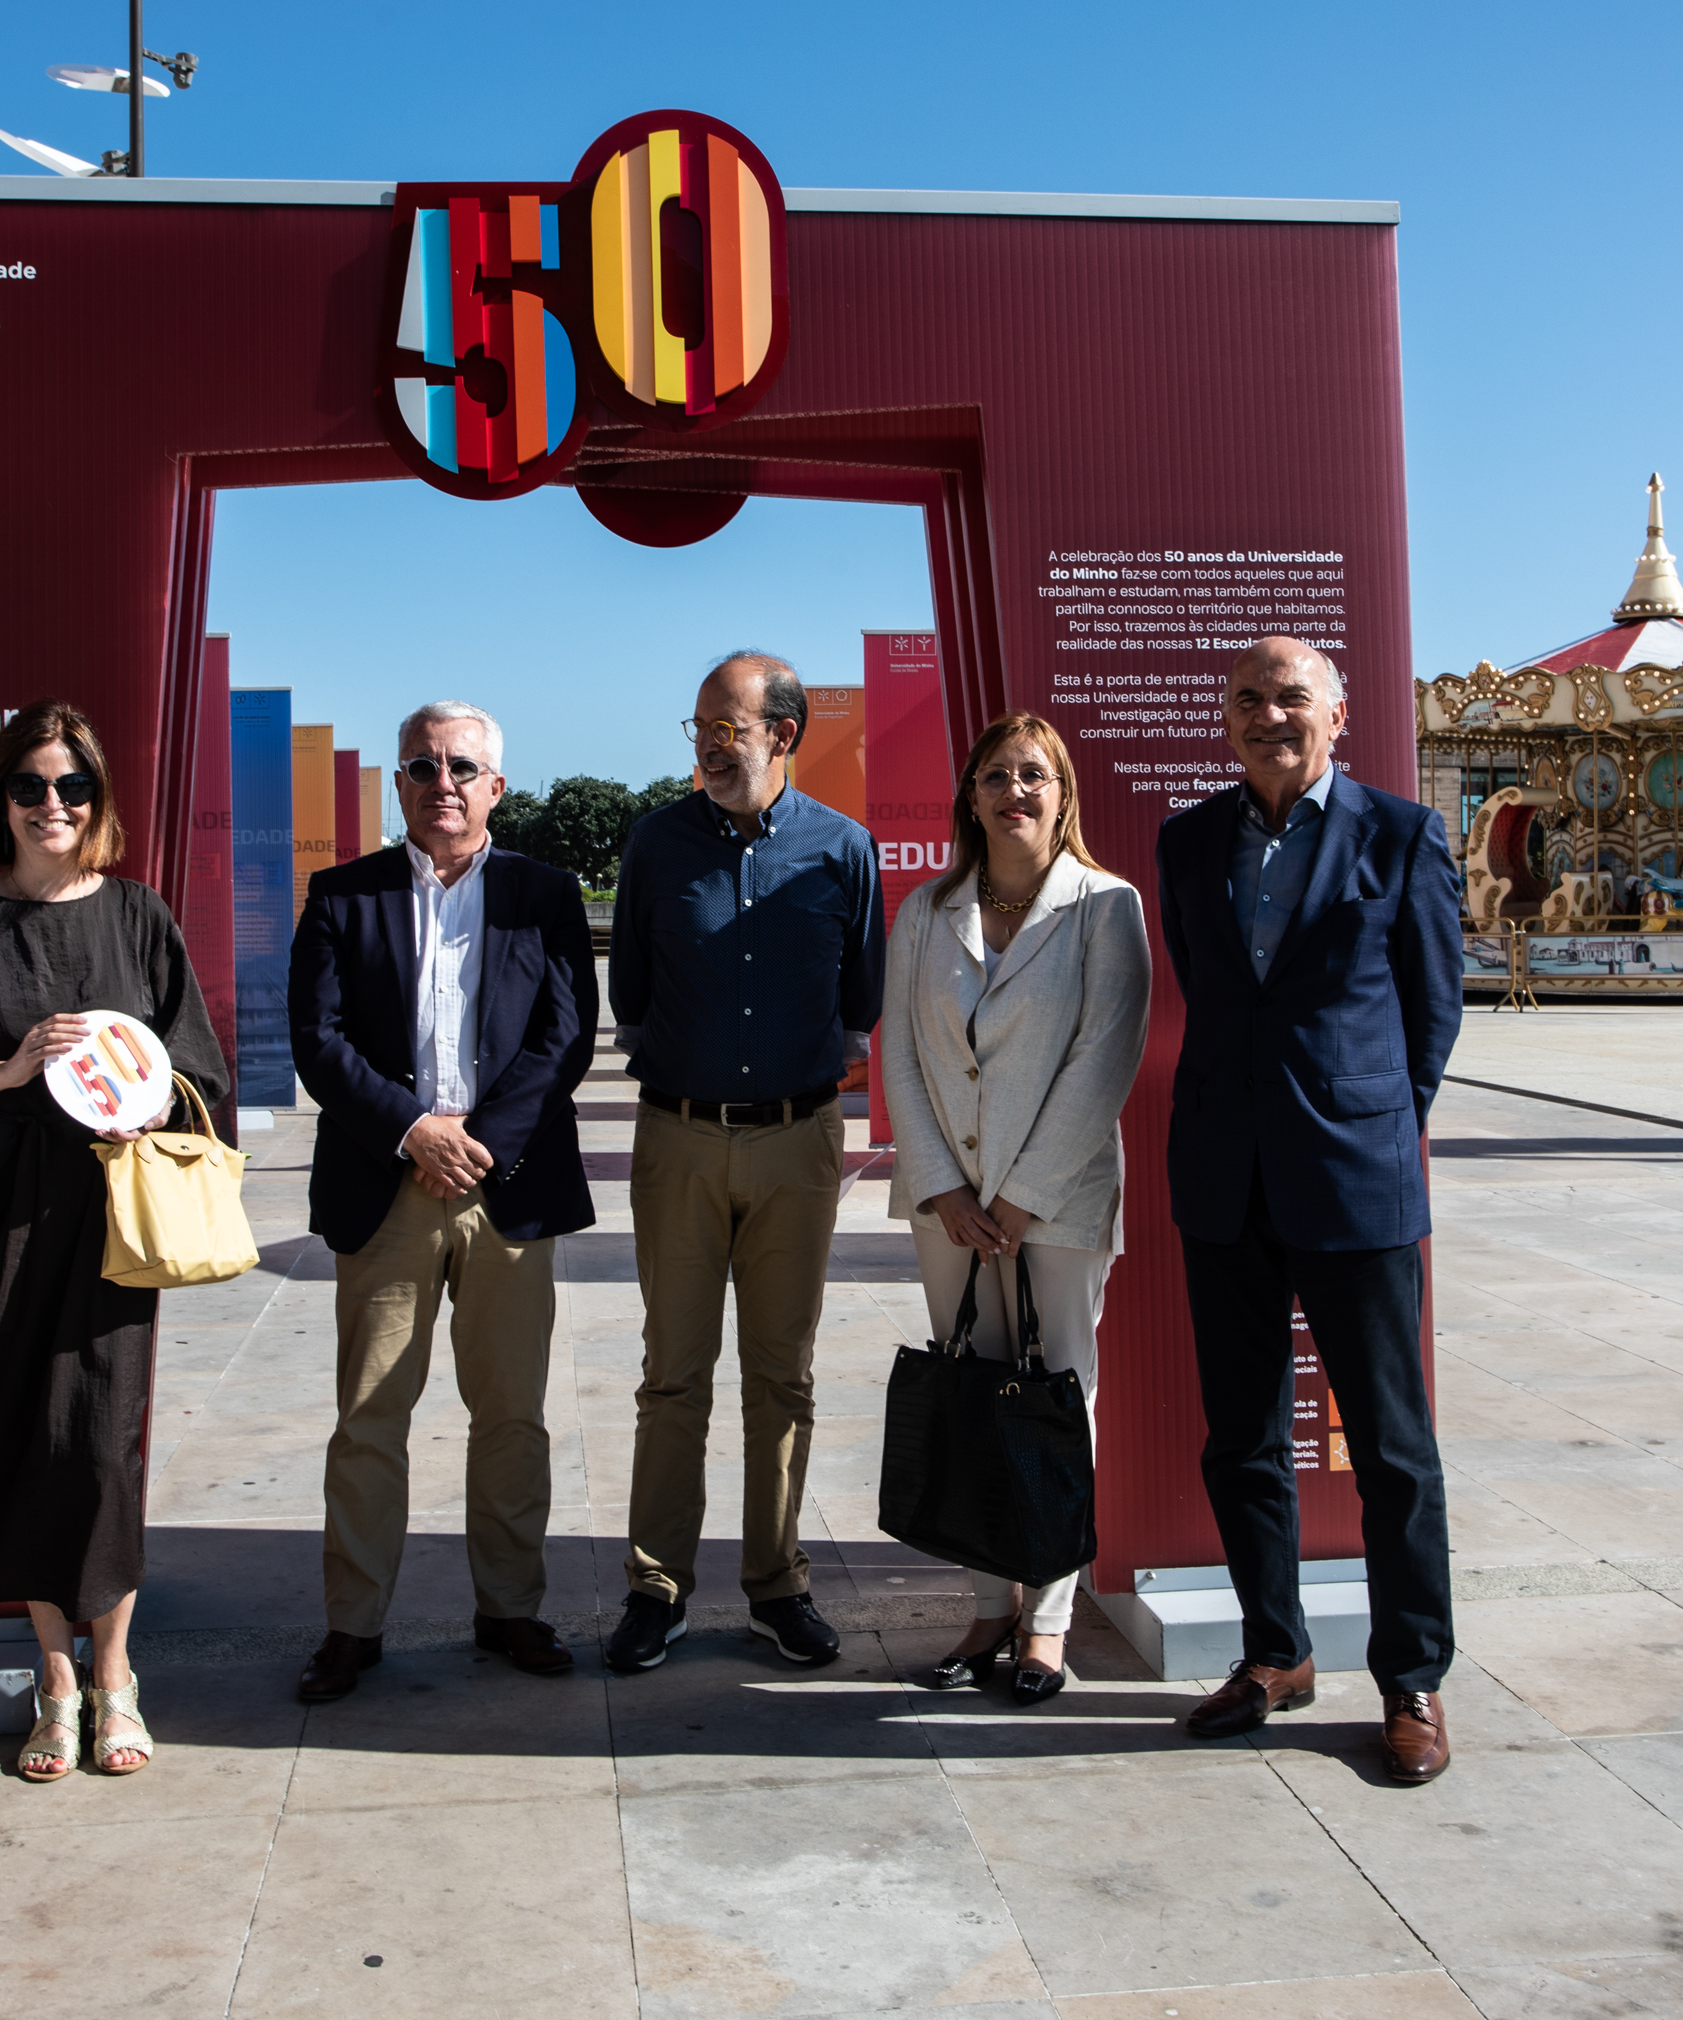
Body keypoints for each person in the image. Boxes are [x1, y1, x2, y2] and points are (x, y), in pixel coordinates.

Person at [0, 700, 228, 1783]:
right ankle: (53, 1678)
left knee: (98, 1440)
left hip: (107, 1216)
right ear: (1, 799)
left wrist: (149, 1097)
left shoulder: (138, 915)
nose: (52, 805)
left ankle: (114, 1674)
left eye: (73, 787)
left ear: (99, 800)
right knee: (14, 1430)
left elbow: (198, 1066)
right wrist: (9, 1070)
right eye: (31, 786)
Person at [1154, 635, 1463, 1786]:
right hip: (1225, 1179)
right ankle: (1275, 1652)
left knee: (1391, 1448)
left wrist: (1373, 1120)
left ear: (1341, 716)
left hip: (1355, 1180)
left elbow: (1433, 1012)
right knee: (1241, 1438)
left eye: (1293, 697)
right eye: (1248, 699)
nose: (1269, 715)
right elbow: (1208, 986)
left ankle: (1413, 1676)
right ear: (1225, 720)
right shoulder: (1189, 841)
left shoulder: (1401, 833)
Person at [286, 699, 598, 1704]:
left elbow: (565, 1037)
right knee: (370, 1415)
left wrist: (477, 1145)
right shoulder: (343, 894)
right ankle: (353, 1623)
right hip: (387, 1183)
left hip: (506, 1189)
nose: (443, 781)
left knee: (511, 1414)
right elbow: (318, 1041)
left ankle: (510, 1606)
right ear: (400, 783)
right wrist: (415, 1130)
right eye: (422, 765)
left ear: (496, 786)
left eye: (463, 765)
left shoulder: (545, 894)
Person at [604, 651, 881, 1673]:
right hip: (676, 1137)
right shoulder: (654, 846)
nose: (712, 746)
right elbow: (629, 987)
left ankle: (777, 1584)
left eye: (729, 726)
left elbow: (860, 1002)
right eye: (700, 727)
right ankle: (657, 1588)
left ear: (784, 734)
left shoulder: (844, 851)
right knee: (672, 1376)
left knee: (783, 1375)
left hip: (798, 1143)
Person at [881, 713, 1151, 1705]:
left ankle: (1046, 1623)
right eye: (996, 775)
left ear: (1062, 792)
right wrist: (946, 1186)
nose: (1015, 791)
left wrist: (1022, 1196)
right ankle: (988, 1605)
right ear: (972, 795)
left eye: (1033, 774)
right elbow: (901, 1051)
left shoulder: (1105, 906)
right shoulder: (926, 911)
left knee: (1053, 1401)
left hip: (1059, 1204)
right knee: (971, 1394)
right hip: (949, 1206)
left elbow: (1104, 1057)